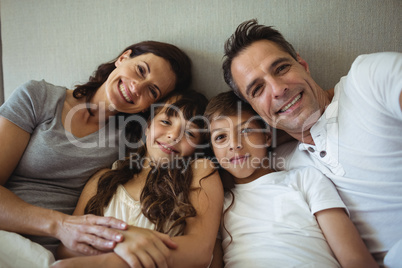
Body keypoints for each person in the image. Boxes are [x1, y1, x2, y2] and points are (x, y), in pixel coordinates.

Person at [222, 19, 402, 266]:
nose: (277, 89)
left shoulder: (367, 81)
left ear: (303, 65)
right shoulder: (282, 161)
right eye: (257, 89)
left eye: (281, 68)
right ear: (253, 109)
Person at [0, 40, 192, 266]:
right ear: (123, 57)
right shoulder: (39, 97)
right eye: (140, 70)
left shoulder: (135, 141)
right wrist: (61, 225)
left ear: (149, 107)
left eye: (152, 90)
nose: (136, 87)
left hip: (54, 257)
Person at [205, 91, 378, 268]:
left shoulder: (305, 179)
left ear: (267, 136)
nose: (234, 144)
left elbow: (354, 258)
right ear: (213, 151)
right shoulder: (217, 205)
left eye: (246, 130)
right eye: (221, 137)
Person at [52, 90, 224, 268]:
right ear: (148, 125)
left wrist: (116, 258)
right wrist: (120, 241)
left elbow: (201, 251)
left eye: (190, 133)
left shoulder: (200, 172)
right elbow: (66, 249)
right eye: (165, 122)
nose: (174, 135)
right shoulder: (103, 179)